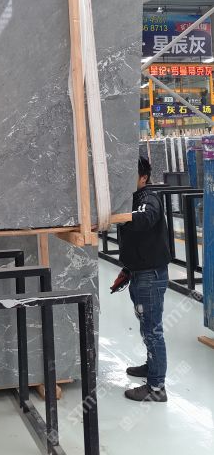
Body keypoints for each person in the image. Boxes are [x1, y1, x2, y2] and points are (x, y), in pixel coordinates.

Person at [119, 156, 171, 402]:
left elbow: (145, 218)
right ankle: (153, 367)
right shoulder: (133, 198)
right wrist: (128, 269)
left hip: (150, 275)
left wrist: (116, 216)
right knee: (146, 326)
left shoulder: (148, 198)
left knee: (152, 330)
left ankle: (157, 388)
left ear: (143, 177)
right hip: (140, 272)